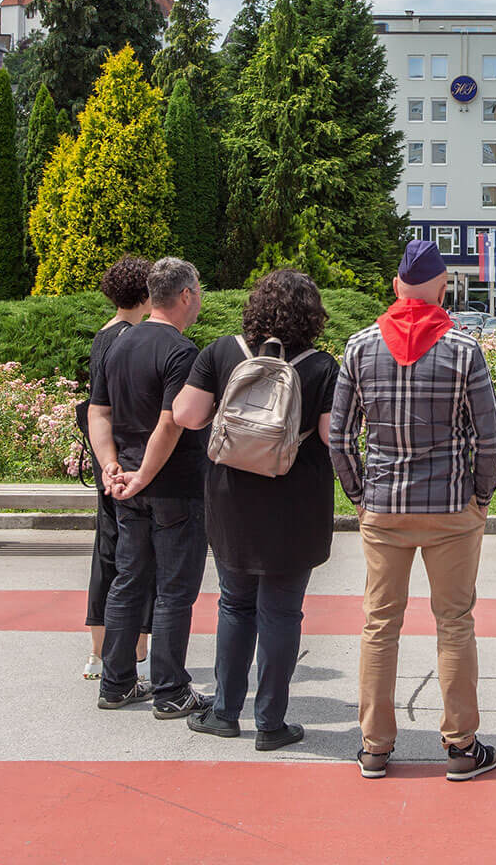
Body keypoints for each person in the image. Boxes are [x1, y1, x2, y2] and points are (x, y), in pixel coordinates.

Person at [330, 239, 496, 782]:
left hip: (384, 507)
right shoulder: (462, 348)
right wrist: (481, 495)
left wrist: (359, 497)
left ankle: (375, 748)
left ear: (397, 285)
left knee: (380, 625)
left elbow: (338, 437)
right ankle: (460, 746)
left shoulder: (358, 347)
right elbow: (490, 437)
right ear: (443, 287)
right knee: (454, 623)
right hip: (452, 507)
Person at [170, 269, 338, 750]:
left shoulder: (222, 352)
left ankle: (224, 713)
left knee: (234, 603)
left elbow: (187, 415)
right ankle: (271, 722)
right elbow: (331, 435)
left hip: (232, 498)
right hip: (296, 502)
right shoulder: (322, 366)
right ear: (313, 315)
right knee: (282, 613)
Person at [87, 256, 209, 718]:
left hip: (127, 487)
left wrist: (111, 466)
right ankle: (170, 689)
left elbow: (99, 411)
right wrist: (143, 474)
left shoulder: (117, 342)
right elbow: (171, 423)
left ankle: (116, 682)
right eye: (197, 291)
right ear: (184, 296)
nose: (199, 300)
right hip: (172, 486)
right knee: (174, 589)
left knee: (128, 581)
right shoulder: (181, 352)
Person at [80, 256, 153, 682]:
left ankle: (97, 649)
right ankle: (136, 647)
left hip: (103, 454)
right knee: (137, 553)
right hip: (131, 454)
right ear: (147, 294)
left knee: (106, 546)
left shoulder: (103, 335)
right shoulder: (135, 339)